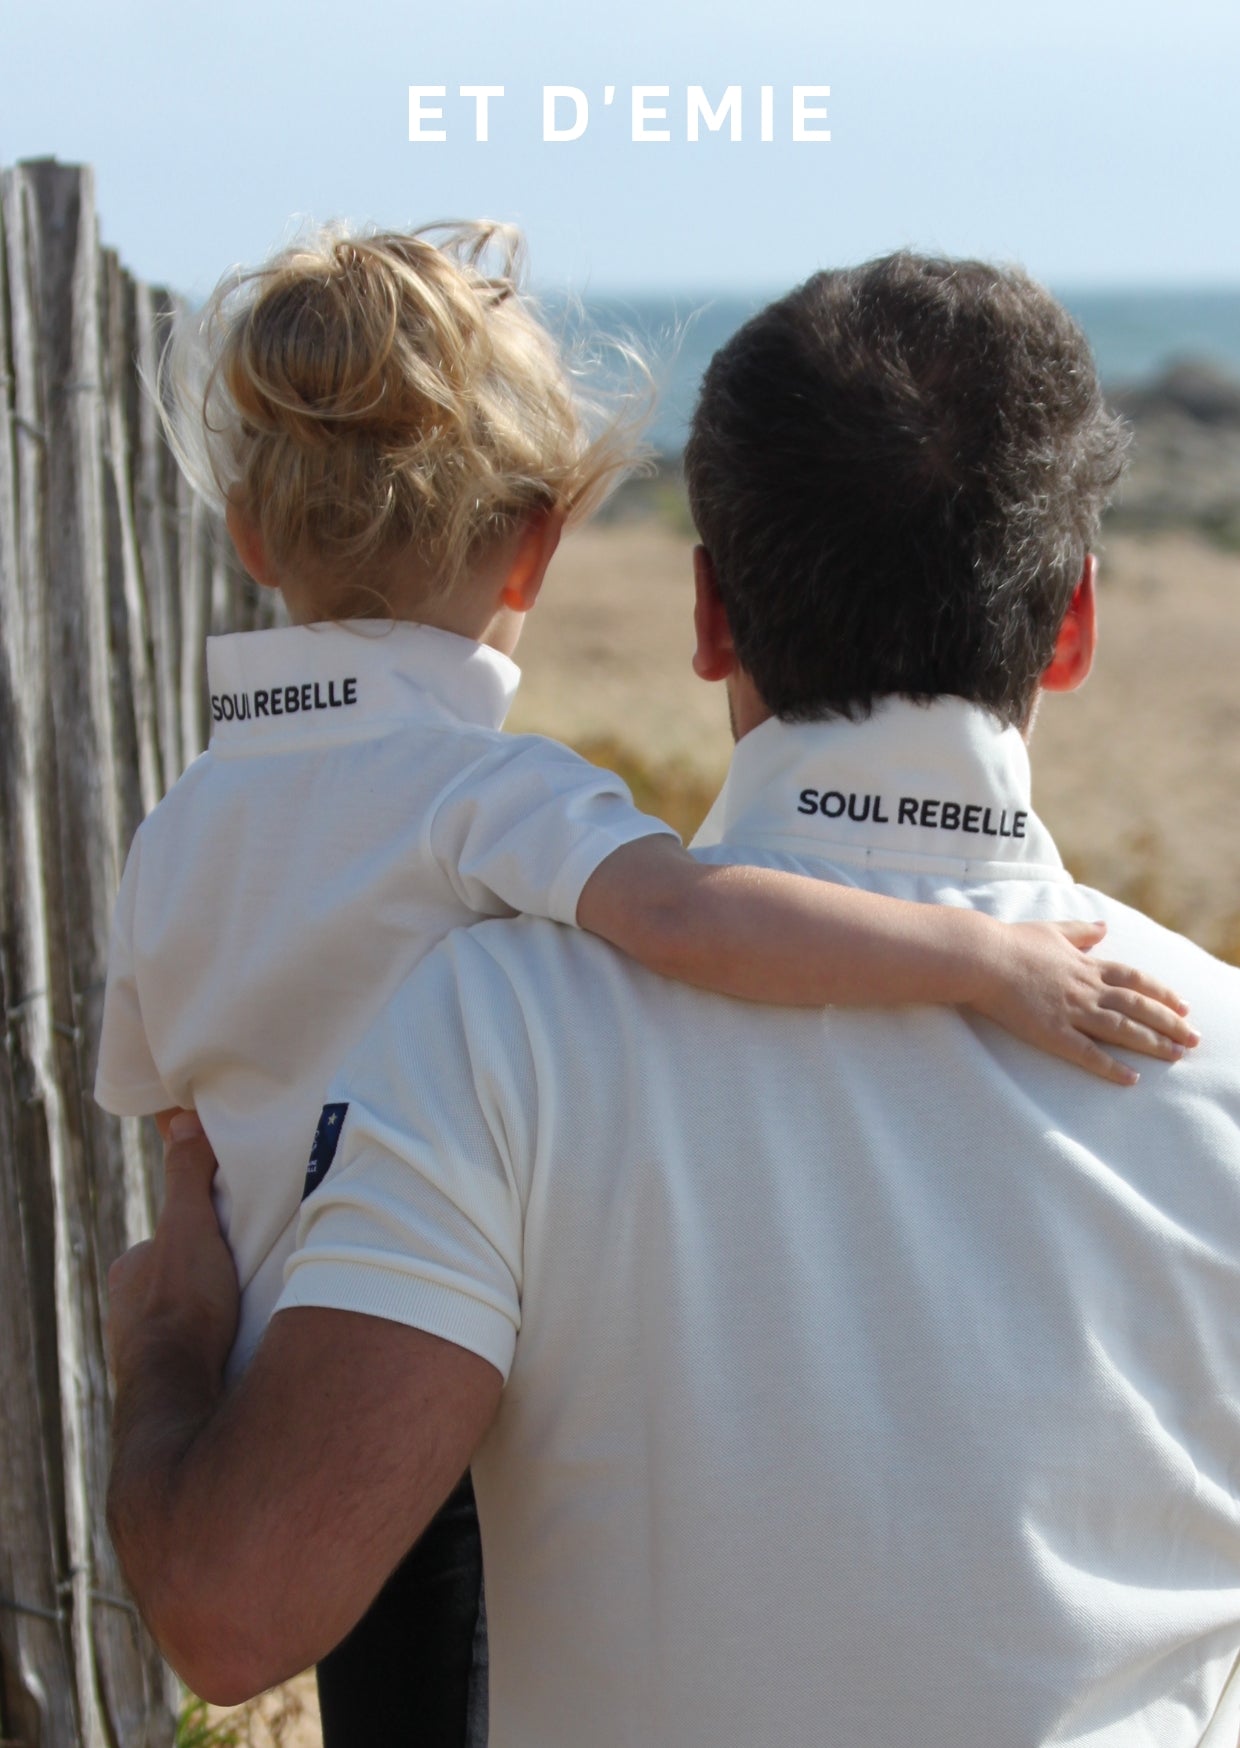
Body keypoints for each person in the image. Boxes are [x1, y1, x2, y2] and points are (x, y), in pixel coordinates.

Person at [107, 253, 1240, 1746]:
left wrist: (173, 1353)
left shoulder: (494, 1031)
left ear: (709, 614)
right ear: (1074, 626)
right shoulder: (1215, 1054)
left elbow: (237, 1611)